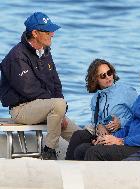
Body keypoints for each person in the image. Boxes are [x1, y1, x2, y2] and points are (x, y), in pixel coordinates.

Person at [0, 12, 80, 160]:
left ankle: (86, 157)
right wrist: (57, 106)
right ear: (35, 33)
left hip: (45, 107)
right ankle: (49, 151)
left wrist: (60, 110)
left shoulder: (45, 52)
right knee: (58, 104)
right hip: (21, 109)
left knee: (81, 136)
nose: (52, 34)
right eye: (48, 31)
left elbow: (56, 84)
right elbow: (29, 90)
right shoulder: (17, 56)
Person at [73, 55, 140, 161]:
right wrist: (107, 139)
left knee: (94, 152)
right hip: (131, 144)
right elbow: (129, 126)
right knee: (82, 150)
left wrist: (121, 141)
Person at [65, 59, 138, 160]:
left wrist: (121, 122)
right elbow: (94, 121)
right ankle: (67, 166)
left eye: (109, 73)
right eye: (103, 76)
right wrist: (99, 126)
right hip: (103, 134)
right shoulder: (96, 98)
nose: (108, 77)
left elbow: (138, 116)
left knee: (82, 149)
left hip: (121, 134)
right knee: (78, 135)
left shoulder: (126, 91)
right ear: (96, 79)